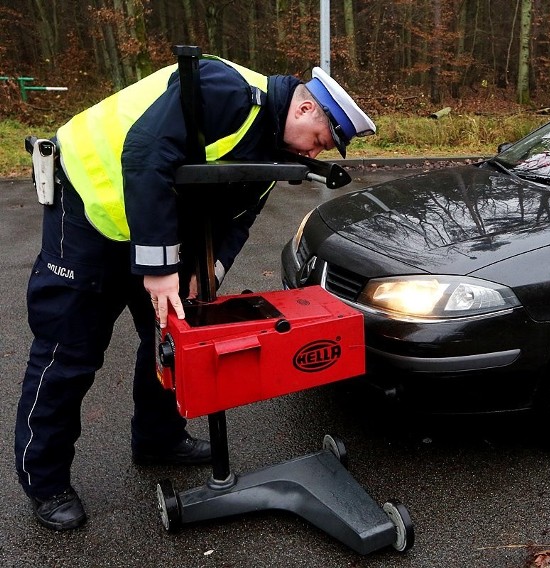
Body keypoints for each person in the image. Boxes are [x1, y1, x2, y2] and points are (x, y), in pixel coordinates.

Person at [14, 55, 376, 531]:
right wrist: (161, 266)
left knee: (173, 336)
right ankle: (45, 481)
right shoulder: (220, 87)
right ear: (306, 110)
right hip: (87, 207)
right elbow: (145, 156)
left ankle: (158, 439)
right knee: (69, 351)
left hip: (150, 223)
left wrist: (207, 271)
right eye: (320, 141)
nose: (315, 154)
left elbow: (237, 216)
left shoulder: (272, 143)